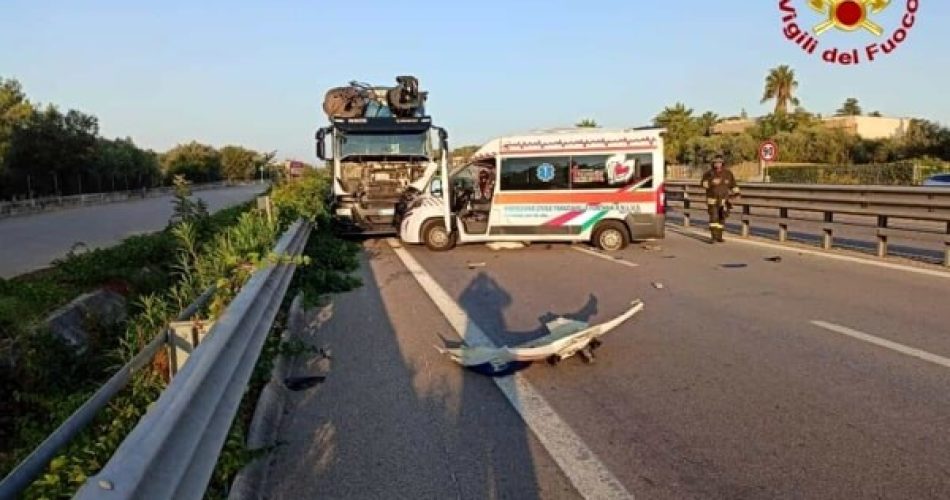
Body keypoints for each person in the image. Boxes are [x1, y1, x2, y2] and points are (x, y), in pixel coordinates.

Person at [699, 155, 740, 242]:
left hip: (724, 200)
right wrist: (711, 182)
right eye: (716, 162)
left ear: (722, 163)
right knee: (714, 218)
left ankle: (719, 236)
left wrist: (737, 193)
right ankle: (713, 236)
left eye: (719, 162)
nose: (717, 164)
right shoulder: (709, 173)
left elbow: (733, 185)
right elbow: (703, 184)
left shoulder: (728, 173)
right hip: (712, 199)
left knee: (722, 218)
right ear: (713, 163)